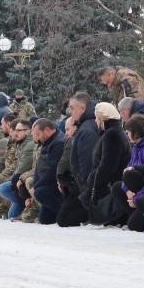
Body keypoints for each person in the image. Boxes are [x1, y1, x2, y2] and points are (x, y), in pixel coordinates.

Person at [80, 102, 131, 225]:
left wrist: (92, 181)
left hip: (107, 185)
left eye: (97, 118)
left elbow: (108, 166)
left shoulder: (111, 134)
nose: (95, 121)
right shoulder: (114, 132)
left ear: (103, 119)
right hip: (107, 182)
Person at [57, 92, 98, 227]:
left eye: (72, 107)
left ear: (82, 108)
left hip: (86, 186)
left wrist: (85, 188)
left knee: (64, 219)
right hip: (82, 183)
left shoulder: (87, 129)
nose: (70, 111)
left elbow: (87, 161)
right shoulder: (85, 125)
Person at [28, 118, 65, 225]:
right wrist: (35, 185)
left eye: (38, 134)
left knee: (40, 192)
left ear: (47, 130)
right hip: (46, 183)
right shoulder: (46, 142)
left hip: (55, 184)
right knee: (44, 219)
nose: (37, 137)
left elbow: (53, 170)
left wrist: (36, 187)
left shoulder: (59, 143)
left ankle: (64, 212)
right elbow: (38, 166)